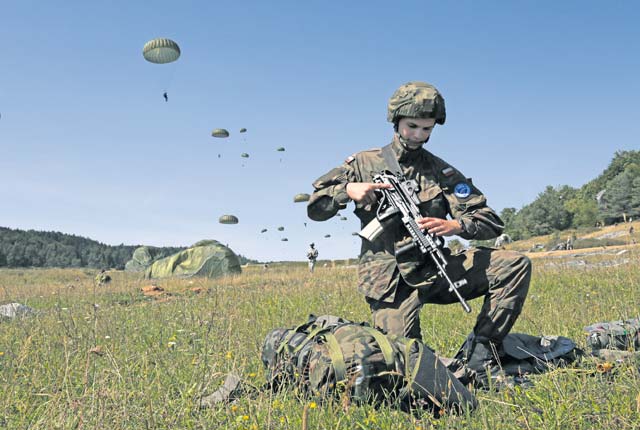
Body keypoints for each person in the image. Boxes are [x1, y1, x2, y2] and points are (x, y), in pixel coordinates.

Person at [307, 81, 532, 386]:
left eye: (426, 129)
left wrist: (457, 226)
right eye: (412, 126)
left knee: (515, 264)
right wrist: (348, 191)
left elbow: (489, 219)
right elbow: (316, 207)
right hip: (390, 281)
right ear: (396, 120)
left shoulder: (441, 171)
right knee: (409, 364)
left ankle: (480, 356)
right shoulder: (364, 162)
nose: (418, 135)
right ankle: (449, 370)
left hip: (436, 269)